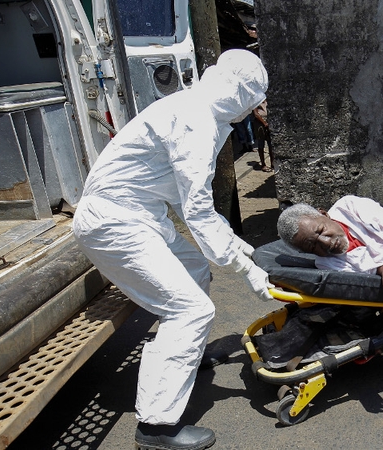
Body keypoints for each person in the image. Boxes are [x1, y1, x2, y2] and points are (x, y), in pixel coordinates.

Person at [72, 49, 274, 450]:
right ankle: (156, 427)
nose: (252, 111)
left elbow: (189, 202)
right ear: (239, 93)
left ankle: (186, 357)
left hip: (140, 215)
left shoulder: (200, 112)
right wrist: (249, 271)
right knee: (190, 310)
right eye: (252, 101)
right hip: (115, 223)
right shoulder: (196, 120)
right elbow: (197, 211)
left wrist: (241, 248)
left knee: (197, 269)